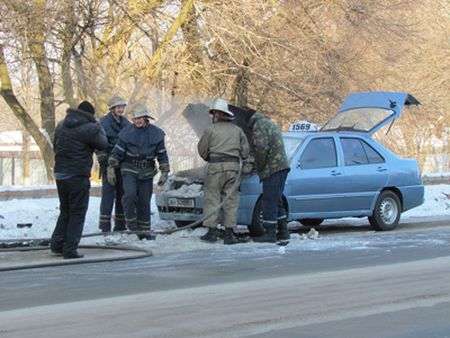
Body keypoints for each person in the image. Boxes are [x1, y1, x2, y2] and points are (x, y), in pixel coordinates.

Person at [50, 101, 108, 259]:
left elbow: (55, 146)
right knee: (77, 212)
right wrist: (99, 126)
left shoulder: (61, 124)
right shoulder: (90, 128)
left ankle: (57, 244)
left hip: (61, 174)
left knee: (66, 210)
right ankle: (69, 250)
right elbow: (103, 144)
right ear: (90, 115)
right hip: (77, 176)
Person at [108, 103, 170, 239]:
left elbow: (162, 154)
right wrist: (111, 167)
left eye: (140, 118)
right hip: (129, 168)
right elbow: (117, 152)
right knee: (129, 195)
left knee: (144, 200)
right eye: (135, 118)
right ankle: (132, 225)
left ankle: (144, 231)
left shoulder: (157, 134)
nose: (137, 121)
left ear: (146, 118)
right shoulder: (126, 133)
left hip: (147, 171)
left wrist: (164, 172)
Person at [197, 98, 250, 244]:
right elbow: (245, 152)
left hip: (215, 168)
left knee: (212, 198)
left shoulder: (210, 130)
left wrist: (210, 158)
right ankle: (229, 234)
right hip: (233, 169)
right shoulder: (238, 130)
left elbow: (202, 149)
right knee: (231, 201)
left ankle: (212, 233)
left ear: (216, 114)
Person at [245, 109, 290, 243]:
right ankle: (283, 231)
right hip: (281, 167)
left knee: (269, 200)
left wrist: (257, 166)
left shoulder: (259, 125)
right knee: (277, 200)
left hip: (273, 168)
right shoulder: (268, 123)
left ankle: (269, 233)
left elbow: (261, 149)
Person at [97, 95, 131, 232]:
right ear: (112, 108)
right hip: (108, 165)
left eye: (122, 107)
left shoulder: (126, 123)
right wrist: (107, 165)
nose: (121, 109)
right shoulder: (103, 123)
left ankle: (120, 225)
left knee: (122, 194)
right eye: (118, 107)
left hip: (123, 164)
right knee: (108, 195)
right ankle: (105, 226)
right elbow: (99, 146)